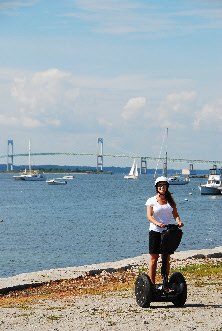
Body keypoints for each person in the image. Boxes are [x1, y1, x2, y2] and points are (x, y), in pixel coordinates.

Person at [145, 176, 184, 285]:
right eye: (160, 185)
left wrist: (179, 221)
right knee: (154, 258)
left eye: (164, 185)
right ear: (157, 187)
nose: (162, 187)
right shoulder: (151, 200)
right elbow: (149, 216)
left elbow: (175, 214)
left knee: (166, 258)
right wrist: (158, 223)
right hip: (155, 231)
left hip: (167, 233)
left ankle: (165, 282)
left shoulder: (170, 200)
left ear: (167, 186)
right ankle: (151, 284)